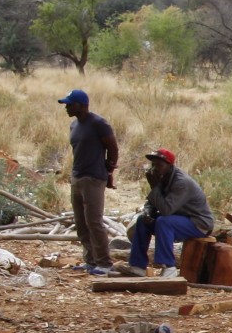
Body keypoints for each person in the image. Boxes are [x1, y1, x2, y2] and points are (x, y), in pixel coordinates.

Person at [120, 148, 214, 277]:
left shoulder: (181, 182)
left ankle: (169, 267)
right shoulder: (163, 178)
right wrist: (148, 212)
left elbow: (165, 210)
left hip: (198, 223)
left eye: (159, 165)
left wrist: (155, 187)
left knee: (164, 222)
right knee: (142, 221)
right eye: (153, 165)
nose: (155, 168)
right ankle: (137, 266)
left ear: (170, 166)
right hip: (178, 218)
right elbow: (151, 203)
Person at [61, 88, 119, 274]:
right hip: (77, 177)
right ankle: (91, 260)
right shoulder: (74, 125)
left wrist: (108, 170)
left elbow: (113, 148)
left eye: (70, 104)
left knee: (93, 221)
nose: (67, 108)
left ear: (82, 105)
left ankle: (104, 263)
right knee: (80, 222)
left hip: (93, 178)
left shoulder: (98, 123)